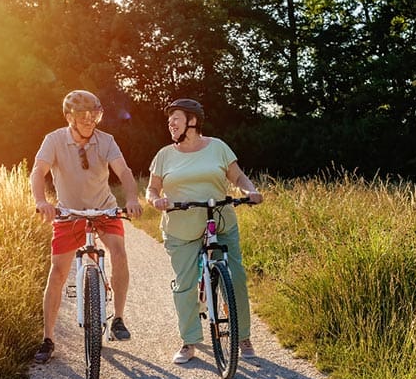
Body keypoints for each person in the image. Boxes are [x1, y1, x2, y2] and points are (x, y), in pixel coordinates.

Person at [146, 98, 263, 364]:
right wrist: (155, 200)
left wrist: (250, 191)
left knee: (235, 277)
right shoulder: (164, 155)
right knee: (185, 284)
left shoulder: (218, 147)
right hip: (181, 225)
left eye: (175, 119)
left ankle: (242, 335)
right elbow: (152, 189)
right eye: (169, 121)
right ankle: (189, 341)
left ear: (192, 121)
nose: (171, 125)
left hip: (219, 219)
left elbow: (239, 177)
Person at [31, 89, 143, 364]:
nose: (90, 121)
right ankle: (48, 338)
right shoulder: (54, 140)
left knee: (118, 253)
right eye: (84, 116)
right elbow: (38, 171)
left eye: (95, 115)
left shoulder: (106, 141)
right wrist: (41, 201)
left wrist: (131, 197)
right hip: (69, 213)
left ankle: (117, 319)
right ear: (69, 117)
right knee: (58, 272)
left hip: (103, 208)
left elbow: (124, 171)